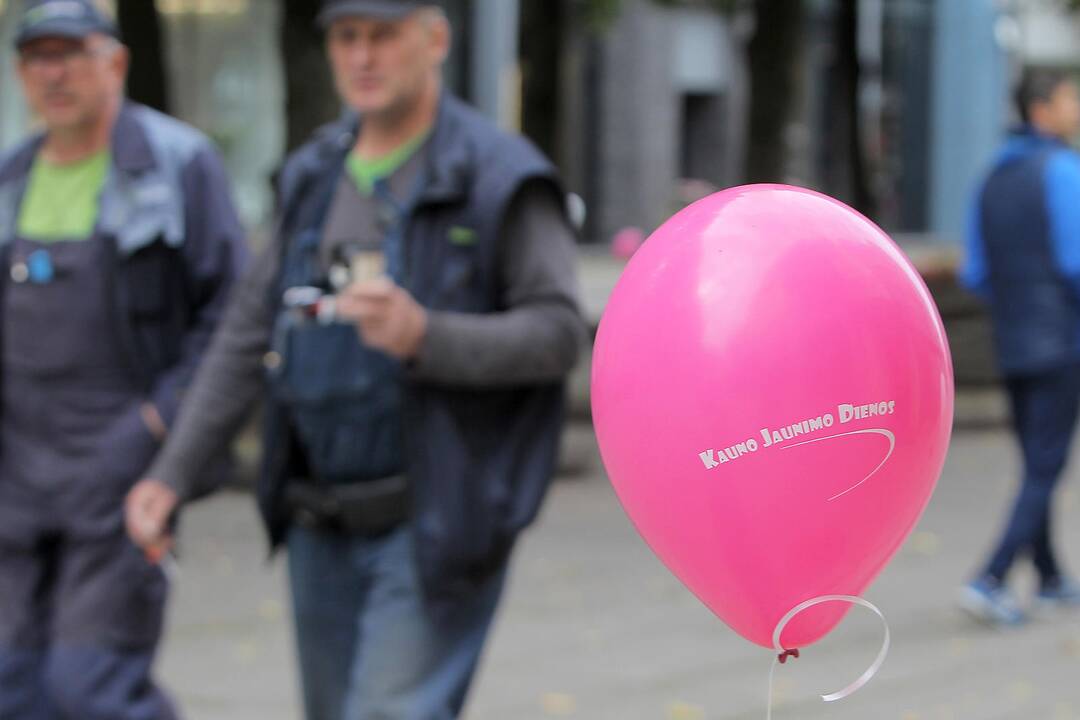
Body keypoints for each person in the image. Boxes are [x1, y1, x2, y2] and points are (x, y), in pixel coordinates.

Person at [124, 0, 586, 718]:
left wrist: (426, 336)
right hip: (318, 519)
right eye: (347, 37)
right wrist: (172, 473)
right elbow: (247, 332)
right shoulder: (312, 175)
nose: (363, 56)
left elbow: (559, 333)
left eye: (384, 35)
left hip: (435, 521)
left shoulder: (498, 175)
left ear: (435, 38)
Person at [0, 0, 247, 717]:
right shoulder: (11, 178)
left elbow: (233, 318)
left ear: (115, 61)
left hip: (119, 466)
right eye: (38, 57)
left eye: (70, 53)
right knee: (14, 687)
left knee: (92, 686)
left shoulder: (176, 166)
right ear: (19, 73)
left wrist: (160, 425)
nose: (55, 73)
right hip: (16, 476)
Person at [960, 67, 1080, 626]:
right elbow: (1077, 263)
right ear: (1041, 110)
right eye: (1068, 99)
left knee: (1036, 460)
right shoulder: (1062, 171)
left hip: (1012, 340)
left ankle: (1051, 577)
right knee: (1045, 467)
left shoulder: (991, 178)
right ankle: (992, 576)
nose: (1075, 109)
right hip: (1061, 341)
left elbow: (976, 271)